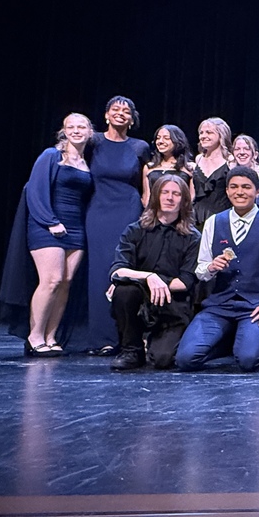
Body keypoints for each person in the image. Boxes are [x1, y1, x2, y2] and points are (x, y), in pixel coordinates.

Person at [175, 166, 259, 372]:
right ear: (227, 191)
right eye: (234, 187)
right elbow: (201, 270)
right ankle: (226, 339)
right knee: (186, 359)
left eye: (246, 187)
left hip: (256, 305)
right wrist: (211, 267)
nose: (240, 192)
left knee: (248, 361)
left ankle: (248, 338)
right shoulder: (214, 222)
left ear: (258, 192)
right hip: (220, 305)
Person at [0, 113, 94, 356]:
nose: (76, 131)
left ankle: (51, 336)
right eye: (70, 127)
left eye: (81, 126)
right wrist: (50, 221)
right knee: (50, 280)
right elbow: (34, 190)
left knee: (65, 283)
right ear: (63, 131)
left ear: (90, 131)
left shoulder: (86, 162)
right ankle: (35, 336)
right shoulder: (52, 156)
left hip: (76, 227)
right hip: (48, 226)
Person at [108, 175, 200, 370]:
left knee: (162, 360)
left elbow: (185, 282)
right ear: (156, 196)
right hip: (140, 302)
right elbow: (117, 271)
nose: (169, 198)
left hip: (172, 307)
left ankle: (155, 342)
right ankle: (131, 350)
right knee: (124, 291)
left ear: (184, 201)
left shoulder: (193, 237)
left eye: (176, 194)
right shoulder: (135, 230)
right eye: (165, 192)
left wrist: (158, 284)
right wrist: (150, 278)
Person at [85, 96, 152, 356]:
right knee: (100, 273)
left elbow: (146, 184)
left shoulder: (140, 146)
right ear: (106, 115)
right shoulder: (94, 142)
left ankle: (128, 336)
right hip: (98, 211)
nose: (121, 114)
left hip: (128, 210)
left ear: (132, 119)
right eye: (115, 110)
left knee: (126, 270)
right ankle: (102, 337)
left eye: (126, 112)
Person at [192, 117, 234, 230]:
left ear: (221, 135)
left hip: (221, 217)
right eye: (201, 133)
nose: (203, 136)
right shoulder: (198, 159)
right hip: (196, 217)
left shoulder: (231, 161)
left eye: (209, 132)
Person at [140, 124, 194, 208]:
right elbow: (146, 197)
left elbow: (191, 197)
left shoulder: (189, 167)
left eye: (166, 138)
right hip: (154, 215)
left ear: (177, 141)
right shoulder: (149, 167)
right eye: (158, 138)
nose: (160, 141)